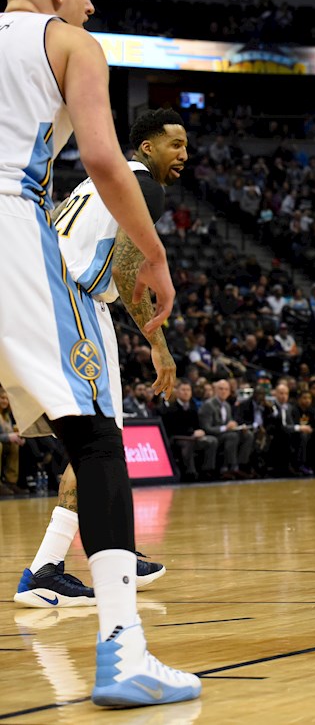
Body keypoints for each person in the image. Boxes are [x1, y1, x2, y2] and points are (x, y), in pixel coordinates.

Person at [0, 0, 199, 706]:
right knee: (96, 438)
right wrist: (154, 256)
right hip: (17, 226)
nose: (91, 3)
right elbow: (106, 161)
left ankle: (54, 573)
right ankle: (124, 647)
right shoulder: (72, 42)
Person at [15, 108, 188, 605]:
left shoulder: (96, 182)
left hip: (42, 293)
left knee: (95, 441)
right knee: (98, 443)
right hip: (75, 302)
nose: (184, 155)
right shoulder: (143, 188)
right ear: (147, 148)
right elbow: (129, 270)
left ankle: (112, 544)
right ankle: (56, 564)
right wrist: (160, 346)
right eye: (175, 145)